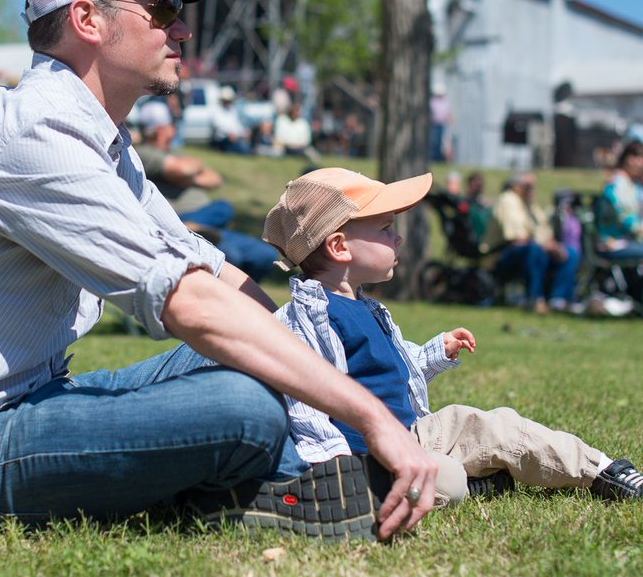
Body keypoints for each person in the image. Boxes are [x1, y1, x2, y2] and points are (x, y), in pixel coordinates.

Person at [0, 0, 436, 540]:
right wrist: (370, 418)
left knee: (266, 351)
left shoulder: (100, 139)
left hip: (24, 403)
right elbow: (189, 301)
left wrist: (309, 358)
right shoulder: (35, 134)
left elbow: (208, 266)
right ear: (87, 19)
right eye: (161, 9)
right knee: (242, 407)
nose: (182, 29)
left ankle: (298, 472)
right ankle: (285, 492)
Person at [261, 167, 643, 504]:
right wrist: (335, 474)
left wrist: (433, 352)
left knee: (499, 425)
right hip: (371, 460)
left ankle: (605, 471)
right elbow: (305, 404)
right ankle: (467, 481)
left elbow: (392, 371)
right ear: (340, 247)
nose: (398, 239)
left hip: (415, 434)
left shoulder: (366, 306)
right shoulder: (309, 318)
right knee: (449, 480)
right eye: (385, 229)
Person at [132, 107, 276, 282]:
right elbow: (183, 169)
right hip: (179, 217)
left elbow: (214, 179)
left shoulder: (174, 153)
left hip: (208, 223)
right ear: (159, 130)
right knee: (232, 252)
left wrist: (187, 177)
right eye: (170, 126)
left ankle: (191, 227)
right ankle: (184, 228)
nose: (173, 131)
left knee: (265, 255)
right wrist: (191, 171)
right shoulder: (144, 153)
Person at [483, 172, 580, 313]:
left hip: (533, 251)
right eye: (529, 186)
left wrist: (555, 247)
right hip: (500, 257)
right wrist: (547, 246)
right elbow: (516, 238)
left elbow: (545, 232)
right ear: (516, 186)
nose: (533, 189)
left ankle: (559, 300)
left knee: (570, 252)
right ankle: (535, 298)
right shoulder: (508, 200)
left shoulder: (531, 205)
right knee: (534, 250)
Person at [595, 140, 643, 303]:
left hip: (631, 242)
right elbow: (630, 221)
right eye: (638, 157)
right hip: (614, 243)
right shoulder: (618, 185)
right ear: (628, 159)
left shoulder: (634, 185)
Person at [209, 86, 251, 154]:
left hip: (235, 137)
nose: (228, 102)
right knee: (242, 149)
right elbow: (218, 126)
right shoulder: (216, 111)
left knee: (245, 146)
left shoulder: (233, 110)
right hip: (223, 139)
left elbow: (237, 125)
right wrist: (230, 134)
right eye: (226, 100)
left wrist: (244, 132)